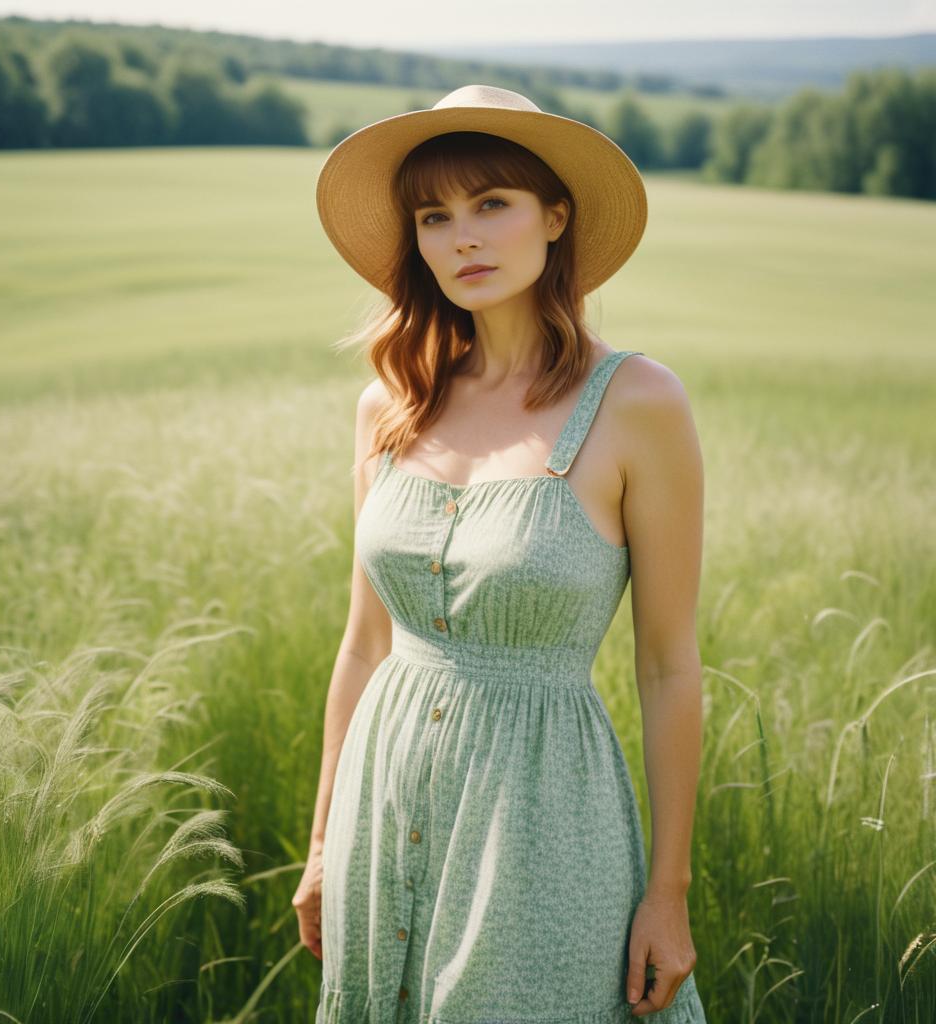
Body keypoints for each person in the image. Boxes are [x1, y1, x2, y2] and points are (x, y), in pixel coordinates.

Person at [292, 84, 708, 1023]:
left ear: (555, 217)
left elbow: (670, 665)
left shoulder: (639, 402)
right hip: (381, 794)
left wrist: (669, 895)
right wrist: (322, 844)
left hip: (541, 817)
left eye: (492, 204)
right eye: (434, 217)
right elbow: (364, 645)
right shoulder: (390, 405)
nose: (462, 238)